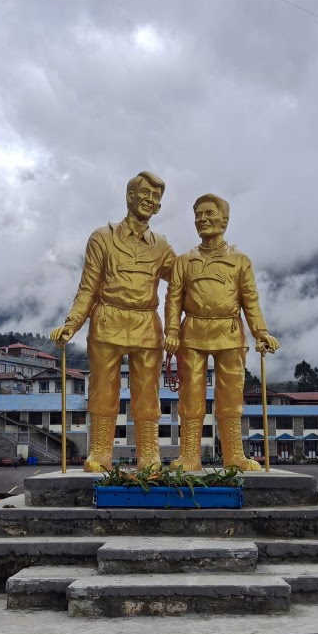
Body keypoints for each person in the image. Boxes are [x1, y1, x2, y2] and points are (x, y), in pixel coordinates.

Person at [50, 172, 175, 471]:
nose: (150, 200)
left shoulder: (162, 247)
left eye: (156, 198)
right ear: (129, 196)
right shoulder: (102, 238)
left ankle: (149, 455)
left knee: (148, 394)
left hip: (147, 324)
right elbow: (88, 288)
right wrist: (72, 323)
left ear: (159, 207)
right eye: (144, 193)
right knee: (104, 391)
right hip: (107, 321)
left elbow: (184, 282)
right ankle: (101, 453)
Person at [164, 193, 279, 471]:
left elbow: (250, 300)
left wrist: (260, 332)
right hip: (192, 332)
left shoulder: (240, 261)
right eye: (198, 215)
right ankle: (190, 455)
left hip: (229, 332)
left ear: (225, 219)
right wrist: (171, 331)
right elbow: (173, 299)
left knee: (230, 398)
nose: (202, 219)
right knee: (190, 398)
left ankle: (234, 456)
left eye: (209, 214)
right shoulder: (183, 261)